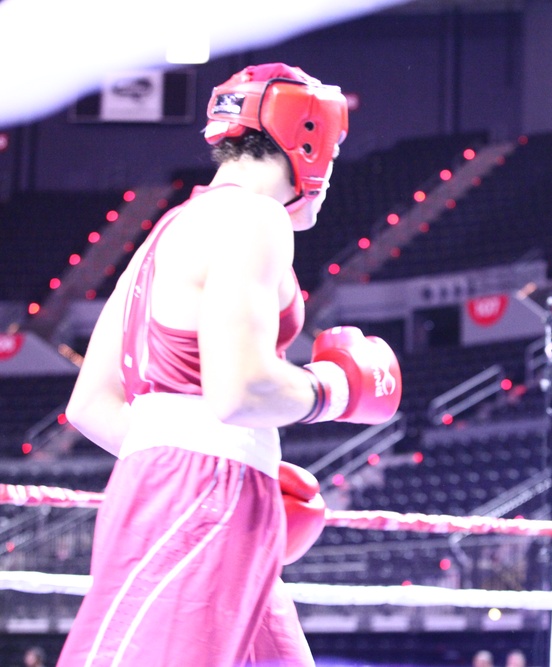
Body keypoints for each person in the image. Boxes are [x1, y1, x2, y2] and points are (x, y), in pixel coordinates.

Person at [57, 63, 402, 666]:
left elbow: (90, 404)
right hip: (200, 496)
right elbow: (238, 391)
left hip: (192, 485)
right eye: (335, 149)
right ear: (309, 136)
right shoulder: (254, 216)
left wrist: (244, 460)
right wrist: (338, 390)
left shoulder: (165, 231)